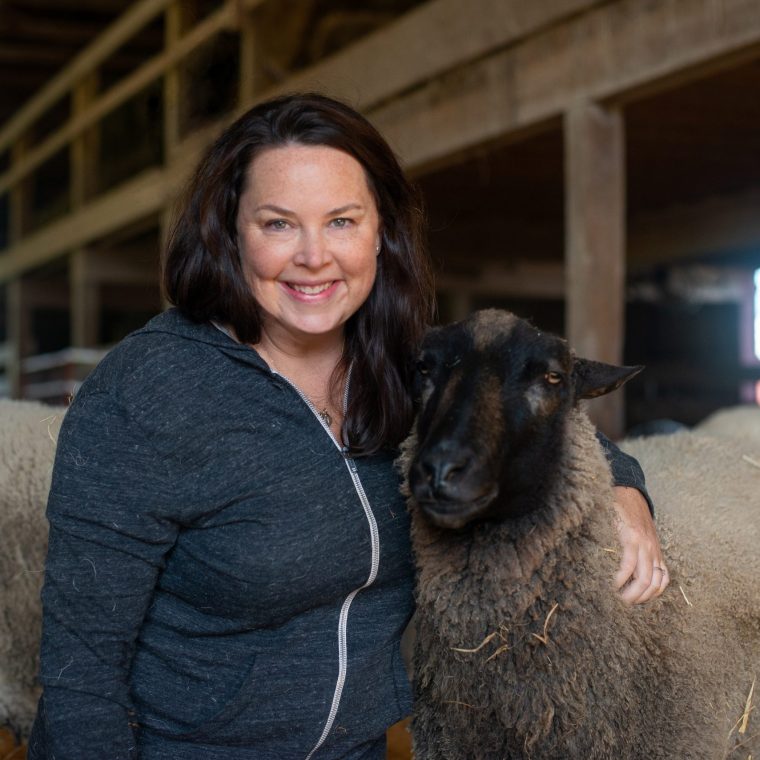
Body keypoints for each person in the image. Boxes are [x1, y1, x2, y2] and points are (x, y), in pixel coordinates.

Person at [28, 93, 667, 760]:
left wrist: (626, 492)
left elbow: (541, 427)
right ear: (228, 231)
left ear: (380, 230)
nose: (313, 256)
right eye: (278, 224)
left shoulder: (407, 367)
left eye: (341, 221)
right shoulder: (148, 392)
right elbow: (82, 671)